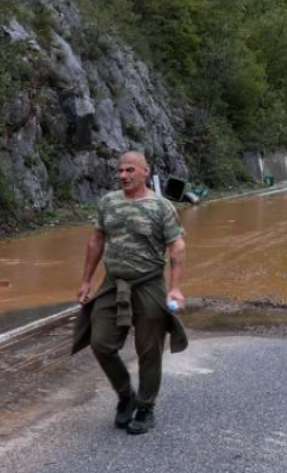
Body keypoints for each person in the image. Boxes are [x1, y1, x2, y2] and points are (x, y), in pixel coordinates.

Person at [73, 151, 188, 435]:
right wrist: (86, 281)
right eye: (120, 171)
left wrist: (174, 287)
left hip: (149, 283)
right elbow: (96, 241)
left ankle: (146, 408)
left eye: (130, 170)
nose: (123, 175)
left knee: (149, 350)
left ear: (145, 171)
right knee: (100, 342)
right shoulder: (108, 202)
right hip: (113, 283)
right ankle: (126, 395)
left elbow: (177, 247)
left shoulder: (161, 206)